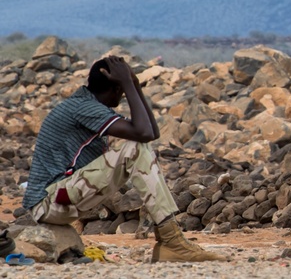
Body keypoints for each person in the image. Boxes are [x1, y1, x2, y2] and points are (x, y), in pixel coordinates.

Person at [23, 55, 225, 263]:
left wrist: (134, 84)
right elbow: (143, 133)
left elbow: (151, 133)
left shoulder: (89, 105)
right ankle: (173, 241)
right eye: (122, 88)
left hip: (59, 198)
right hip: (50, 200)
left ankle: (171, 242)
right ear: (117, 88)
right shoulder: (82, 107)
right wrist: (129, 83)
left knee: (138, 146)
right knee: (134, 148)